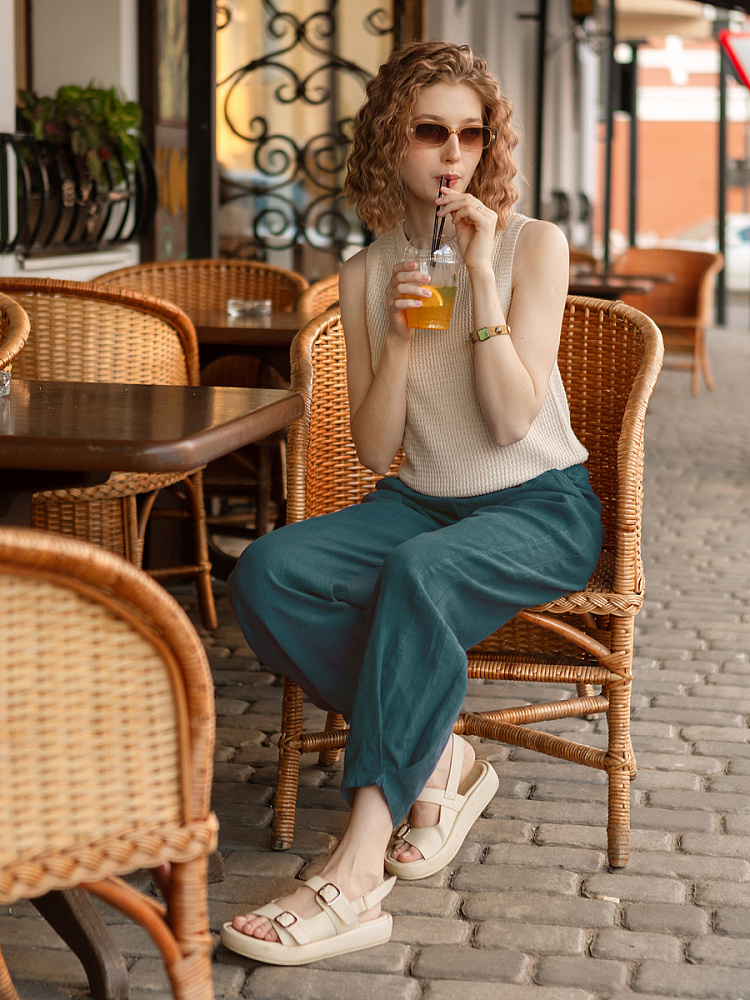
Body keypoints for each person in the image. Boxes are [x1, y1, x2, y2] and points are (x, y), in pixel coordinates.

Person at [220, 40, 604, 966]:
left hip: (541, 506)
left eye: (472, 134)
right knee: (268, 571)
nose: (453, 153)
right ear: (391, 140)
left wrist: (481, 277)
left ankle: (356, 869)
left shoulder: (532, 245)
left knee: (418, 573)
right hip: (422, 499)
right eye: (431, 131)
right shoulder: (366, 271)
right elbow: (373, 447)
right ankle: (438, 756)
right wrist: (395, 338)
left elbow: (510, 421)